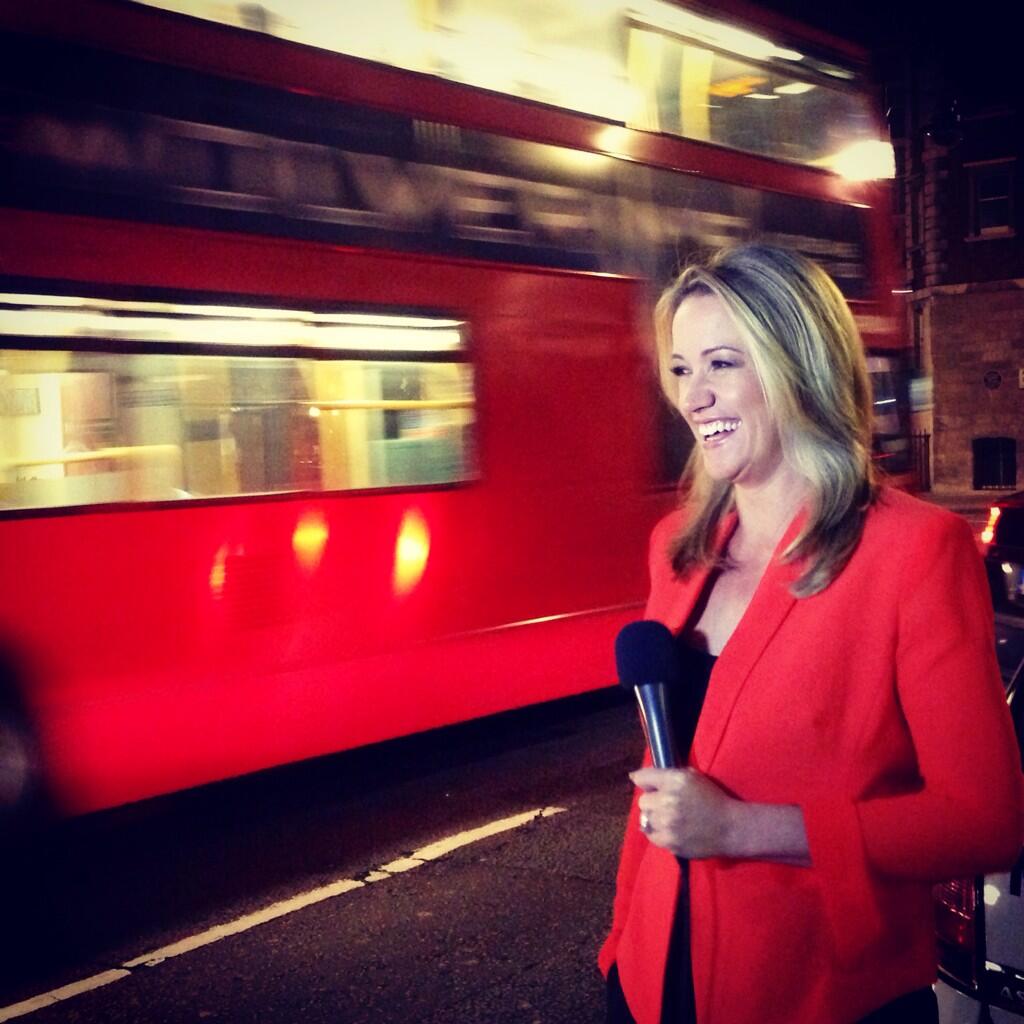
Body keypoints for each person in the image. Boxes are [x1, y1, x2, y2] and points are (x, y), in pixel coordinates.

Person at [598, 244, 1023, 1024]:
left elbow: (984, 819)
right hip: (652, 981)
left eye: (722, 363)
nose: (693, 396)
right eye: (682, 368)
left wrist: (743, 828)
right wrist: (621, 948)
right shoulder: (677, 549)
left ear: (799, 366)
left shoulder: (916, 551)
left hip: (819, 993)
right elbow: (660, 789)